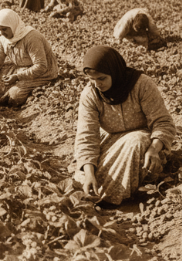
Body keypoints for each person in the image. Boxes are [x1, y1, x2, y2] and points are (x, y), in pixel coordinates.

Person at [75, 46, 176, 205]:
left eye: (101, 78)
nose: (96, 84)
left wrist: (154, 148)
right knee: (88, 176)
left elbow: (162, 122)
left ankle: (114, 199)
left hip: (145, 144)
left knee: (136, 141)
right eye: (91, 79)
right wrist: (89, 173)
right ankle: (103, 191)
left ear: (114, 72)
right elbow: (87, 137)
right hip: (111, 142)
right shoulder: (90, 95)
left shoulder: (141, 85)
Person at [0, 9, 58, 106]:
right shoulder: (3, 40)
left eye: (4, 29)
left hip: (44, 72)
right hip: (23, 68)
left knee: (14, 97)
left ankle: (27, 96)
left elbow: (41, 66)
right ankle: (3, 95)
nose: (1, 33)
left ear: (13, 26)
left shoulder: (32, 38)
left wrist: (17, 76)